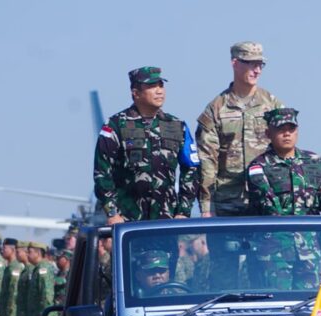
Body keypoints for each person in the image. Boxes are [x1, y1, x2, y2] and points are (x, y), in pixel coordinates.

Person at [94, 66, 199, 223]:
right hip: (127, 220)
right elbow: (102, 172)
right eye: (151, 86)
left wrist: (183, 211)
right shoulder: (116, 125)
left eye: (161, 85)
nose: (159, 91)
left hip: (166, 219)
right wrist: (112, 213)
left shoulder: (177, 125)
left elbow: (191, 168)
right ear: (135, 93)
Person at [196, 42, 283, 217]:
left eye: (260, 65)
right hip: (227, 203)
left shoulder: (272, 105)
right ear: (235, 63)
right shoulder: (215, 108)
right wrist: (207, 207)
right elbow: (206, 161)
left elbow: (285, 149)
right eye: (251, 63)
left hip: (266, 200)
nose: (257, 70)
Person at [247, 108, 321, 215]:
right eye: (281, 129)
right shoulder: (258, 166)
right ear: (268, 133)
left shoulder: (314, 161)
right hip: (277, 230)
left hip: (309, 230)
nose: (287, 134)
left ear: (297, 132)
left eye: (291, 129)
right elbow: (266, 206)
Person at [25, 242, 55, 316]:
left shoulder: (43, 269)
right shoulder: (37, 269)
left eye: (30, 252)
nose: (27, 254)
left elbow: (46, 295)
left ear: (38, 253)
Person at [16, 242, 32, 316]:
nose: (16, 254)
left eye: (19, 251)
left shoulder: (31, 271)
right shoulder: (25, 270)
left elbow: (31, 298)